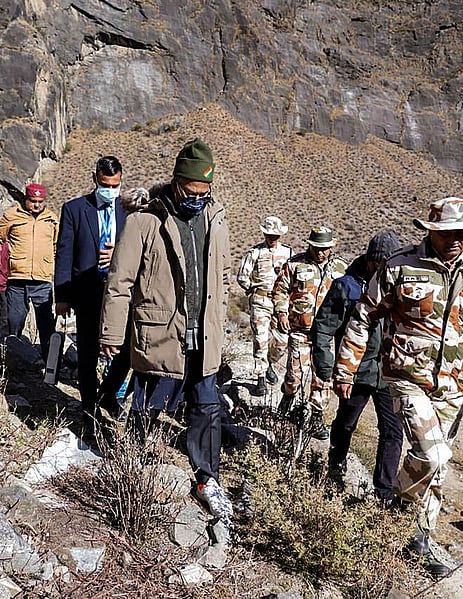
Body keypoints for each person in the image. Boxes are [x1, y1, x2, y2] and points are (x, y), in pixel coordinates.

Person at [333, 197, 463, 578]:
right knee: (431, 456)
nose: (455, 240)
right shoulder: (400, 267)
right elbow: (363, 317)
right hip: (406, 379)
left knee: (438, 467)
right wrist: (346, 369)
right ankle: (394, 510)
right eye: (447, 232)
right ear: (431, 231)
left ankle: (417, 539)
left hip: (455, 387)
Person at [100, 138, 234, 521]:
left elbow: (222, 276)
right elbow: (120, 281)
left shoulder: (216, 218)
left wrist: (219, 321)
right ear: (176, 182)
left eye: (204, 192)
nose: (197, 198)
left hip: (203, 336)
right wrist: (111, 334)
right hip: (159, 333)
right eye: (191, 191)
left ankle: (208, 480)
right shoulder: (145, 220)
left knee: (207, 409)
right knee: (149, 405)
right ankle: (134, 465)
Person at [312, 230, 403, 504]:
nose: (388, 269)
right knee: (345, 423)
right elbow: (324, 328)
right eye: (382, 263)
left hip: (389, 374)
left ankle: (384, 494)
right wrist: (327, 370)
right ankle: (335, 468)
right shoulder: (346, 287)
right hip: (356, 371)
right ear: (370, 261)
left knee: (393, 432)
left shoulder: (400, 286)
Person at [54, 156, 131, 435]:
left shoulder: (129, 212)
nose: (110, 189)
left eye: (115, 184)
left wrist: (118, 255)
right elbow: (64, 253)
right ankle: (88, 412)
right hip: (86, 294)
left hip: (120, 297)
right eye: (105, 184)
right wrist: (62, 295)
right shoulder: (75, 209)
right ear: (94, 179)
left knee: (124, 354)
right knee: (86, 357)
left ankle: (108, 396)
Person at [272, 226, 347, 440]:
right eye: (316, 247)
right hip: (299, 330)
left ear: (331, 247)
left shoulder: (341, 268)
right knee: (295, 375)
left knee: (323, 377)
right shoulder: (295, 265)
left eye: (324, 248)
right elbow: (280, 291)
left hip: (326, 335)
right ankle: (287, 399)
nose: (320, 252)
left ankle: (316, 415)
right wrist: (282, 314)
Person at [0, 183, 59, 362]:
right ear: (25, 199)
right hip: (17, 278)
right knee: (15, 320)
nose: (37, 205)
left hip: (42, 279)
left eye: (40, 201)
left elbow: (57, 246)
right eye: (32, 201)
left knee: (46, 323)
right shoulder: (11, 216)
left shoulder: (51, 219)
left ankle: (50, 363)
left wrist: (52, 266)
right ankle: (11, 361)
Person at [236, 216, 294, 396]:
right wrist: (253, 290)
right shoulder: (255, 253)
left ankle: (269, 363)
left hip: (281, 303)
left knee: (282, 341)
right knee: (260, 340)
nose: (272, 238)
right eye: (269, 235)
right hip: (260, 301)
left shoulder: (288, 253)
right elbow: (242, 276)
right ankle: (260, 377)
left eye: (275, 235)